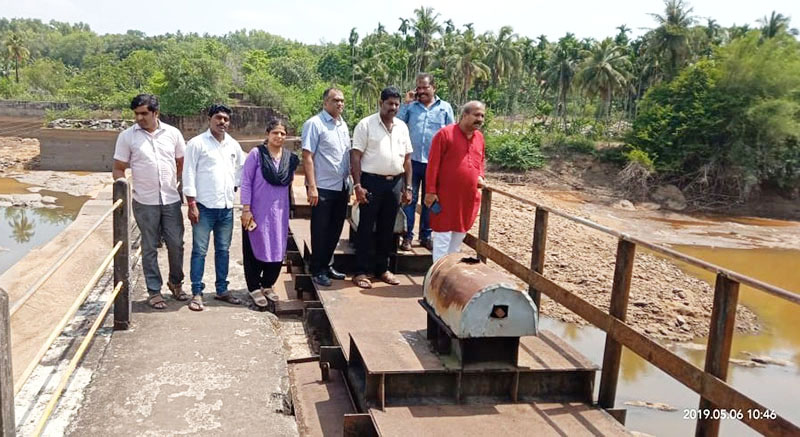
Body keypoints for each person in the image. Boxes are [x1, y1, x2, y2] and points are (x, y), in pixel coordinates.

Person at [112, 94, 187, 310]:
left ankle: (176, 283)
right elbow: (118, 167)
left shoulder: (173, 133)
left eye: (144, 113)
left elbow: (181, 162)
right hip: (144, 201)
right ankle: (154, 291)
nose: (139, 118)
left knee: (176, 244)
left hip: (171, 199)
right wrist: (122, 189)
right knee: (149, 246)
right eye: (136, 114)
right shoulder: (127, 137)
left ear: (156, 113)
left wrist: (175, 182)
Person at [182, 104, 246, 311]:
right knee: (199, 251)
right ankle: (197, 292)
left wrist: (234, 186)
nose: (222, 122)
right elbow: (188, 173)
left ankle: (222, 290)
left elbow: (242, 168)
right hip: (203, 207)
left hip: (226, 207)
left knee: (223, 250)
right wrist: (191, 204)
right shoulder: (197, 144)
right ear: (209, 119)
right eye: (218, 118)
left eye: (226, 119)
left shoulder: (233, 145)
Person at [350, 87, 413, 289]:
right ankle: (360, 271)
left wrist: (408, 187)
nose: (393, 107)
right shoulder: (366, 125)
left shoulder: (402, 127)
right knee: (366, 227)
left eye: (396, 104)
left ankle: (382, 269)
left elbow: (407, 159)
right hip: (371, 182)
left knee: (388, 227)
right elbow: (355, 156)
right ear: (381, 103)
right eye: (389, 103)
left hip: (394, 183)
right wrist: (357, 185)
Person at [240, 118, 299, 309]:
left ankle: (267, 284)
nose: (279, 136)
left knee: (276, 246)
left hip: (279, 212)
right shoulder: (256, 154)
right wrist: (246, 209)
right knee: (255, 246)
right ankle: (254, 287)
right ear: (268, 134)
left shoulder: (289, 158)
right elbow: (246, 182)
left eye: (282, 133)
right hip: (257, 211)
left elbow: (289, 185)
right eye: (275, 132)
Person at [424, 101, 487, 263]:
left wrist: (480, 176)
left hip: (467, 198)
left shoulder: (479, 138)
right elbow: (433, 165)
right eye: (476, 115)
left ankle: (450, 273)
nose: (480, 119)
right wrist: (430, 191)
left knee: (458, 237)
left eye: (482, 116)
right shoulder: (445, 134)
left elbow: (480, 161)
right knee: (442, 238)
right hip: (445, 197)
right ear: (465, 115)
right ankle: (438, 275)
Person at [398, 73, 454, 252]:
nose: (421, 91)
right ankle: (407, 236)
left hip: (435, 164)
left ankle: (426, 236)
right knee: (409, 199)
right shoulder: (411, 107)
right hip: (412, 161)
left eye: (425, 87)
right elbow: (396, 123)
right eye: (419, 88)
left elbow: (451, 134)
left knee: (429, 200)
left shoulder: (445, 108)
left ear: (434, 88)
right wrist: (406, 103)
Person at [301, 88, 351, 287]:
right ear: (325, 103)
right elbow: (307, 156)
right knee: (320, 230)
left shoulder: (342, 125)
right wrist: (312, 186)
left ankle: (327, 265)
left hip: (341, 186)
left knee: (335, 229)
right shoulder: (315, 124)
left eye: (342, 100)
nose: (340, 103)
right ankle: (317, 269)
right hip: (322, 187)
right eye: (335, 100)